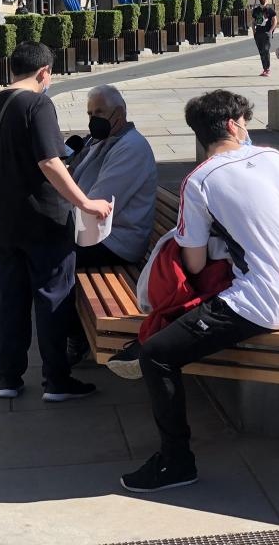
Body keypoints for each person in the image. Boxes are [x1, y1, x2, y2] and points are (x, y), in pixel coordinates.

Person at [121, 90, 279, 493]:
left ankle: (176, 463)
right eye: (245, 121)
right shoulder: (275, 158)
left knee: (156, 355)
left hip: (257, 301)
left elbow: (192, 264)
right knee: (162, 343)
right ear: (232, 124)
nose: (246, 128)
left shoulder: (200, 180)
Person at [0, 42, 112, 403]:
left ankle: (8, 378)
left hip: (3, 220)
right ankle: (56, 379)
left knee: (11, 300)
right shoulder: (37, 104)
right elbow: (50, 162)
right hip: (44, 221)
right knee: (54, 296)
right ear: (44, 72)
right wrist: (85, 202)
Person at [65, 85, 158, 365]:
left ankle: (74, 335)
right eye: (90, 113)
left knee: (50, 260)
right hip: (96, 233)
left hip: (116, 241)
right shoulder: (102, 141)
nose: (94, 119)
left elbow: (98, 202)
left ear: (119, 114)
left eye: (100, 112)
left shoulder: (131, 147)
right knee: (41, 253)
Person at [251, 0, 277, 77]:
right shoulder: (256, 10)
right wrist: (254, 31)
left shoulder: (270, 9)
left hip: (266, 33)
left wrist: (270, 31)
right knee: (261, 51)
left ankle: (267, 69)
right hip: (258, 33)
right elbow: (253, 22)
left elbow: (275, 21)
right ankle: (264, 69)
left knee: (266, 50)